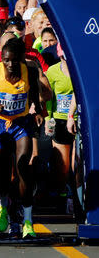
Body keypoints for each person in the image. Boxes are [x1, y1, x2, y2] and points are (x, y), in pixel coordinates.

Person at [0, 38, 43, 238]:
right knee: (2, 171)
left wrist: (39, 111)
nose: (10, 64)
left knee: (24, 165)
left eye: (14, 60)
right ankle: (3, 207)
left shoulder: (30, 71)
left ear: (22, 59)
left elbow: (33, 92)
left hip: (21, 123)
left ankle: (27, 220)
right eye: (6, 60)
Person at [45, 51, 76, 209]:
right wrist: (47, 120)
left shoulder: (78, 68)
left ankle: (74, 197)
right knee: (62, 167)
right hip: (59, 120)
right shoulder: (52, 71)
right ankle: (63, 194)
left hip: (78, 121)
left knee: (75, 164)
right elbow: (47, 97)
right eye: (63, 55)